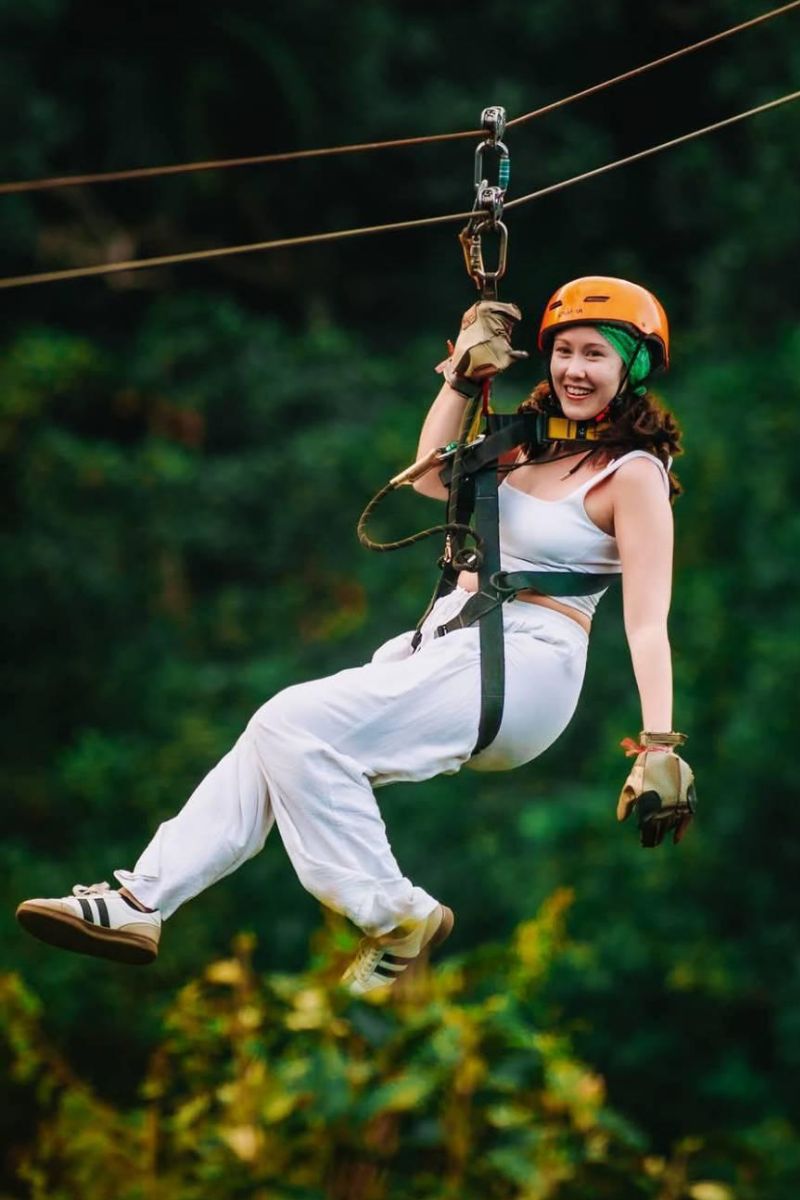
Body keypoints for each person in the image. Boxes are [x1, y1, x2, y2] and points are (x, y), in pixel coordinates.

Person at [16, 275, 694, 994]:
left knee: (292, 721)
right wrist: (464, 379)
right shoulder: (525, 446)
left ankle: (398, 915)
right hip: (450, 645)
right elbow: (430, 479)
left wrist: (658, 745)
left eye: (595, 354)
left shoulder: (634, 475)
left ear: (631, 368)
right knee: (272, 739)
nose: (574, 369)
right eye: (563, 351)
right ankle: (139, 901)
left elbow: (647, 622)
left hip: (525, 669)